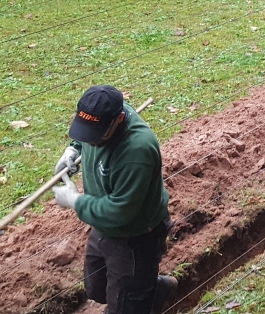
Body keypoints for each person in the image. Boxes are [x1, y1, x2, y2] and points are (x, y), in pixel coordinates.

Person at [53, 86, 176, 314]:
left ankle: (144, 291)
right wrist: (73, 148)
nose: (91, 141)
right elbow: (89, 133)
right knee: (96, 289)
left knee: (125, 305)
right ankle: (151, 288)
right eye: (86, 132)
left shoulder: (136, 151)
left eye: (96, 135)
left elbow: (120, 211)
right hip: (104, 225)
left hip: (136, 234)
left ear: (119, 119)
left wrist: (75, 201)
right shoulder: (104, 114)